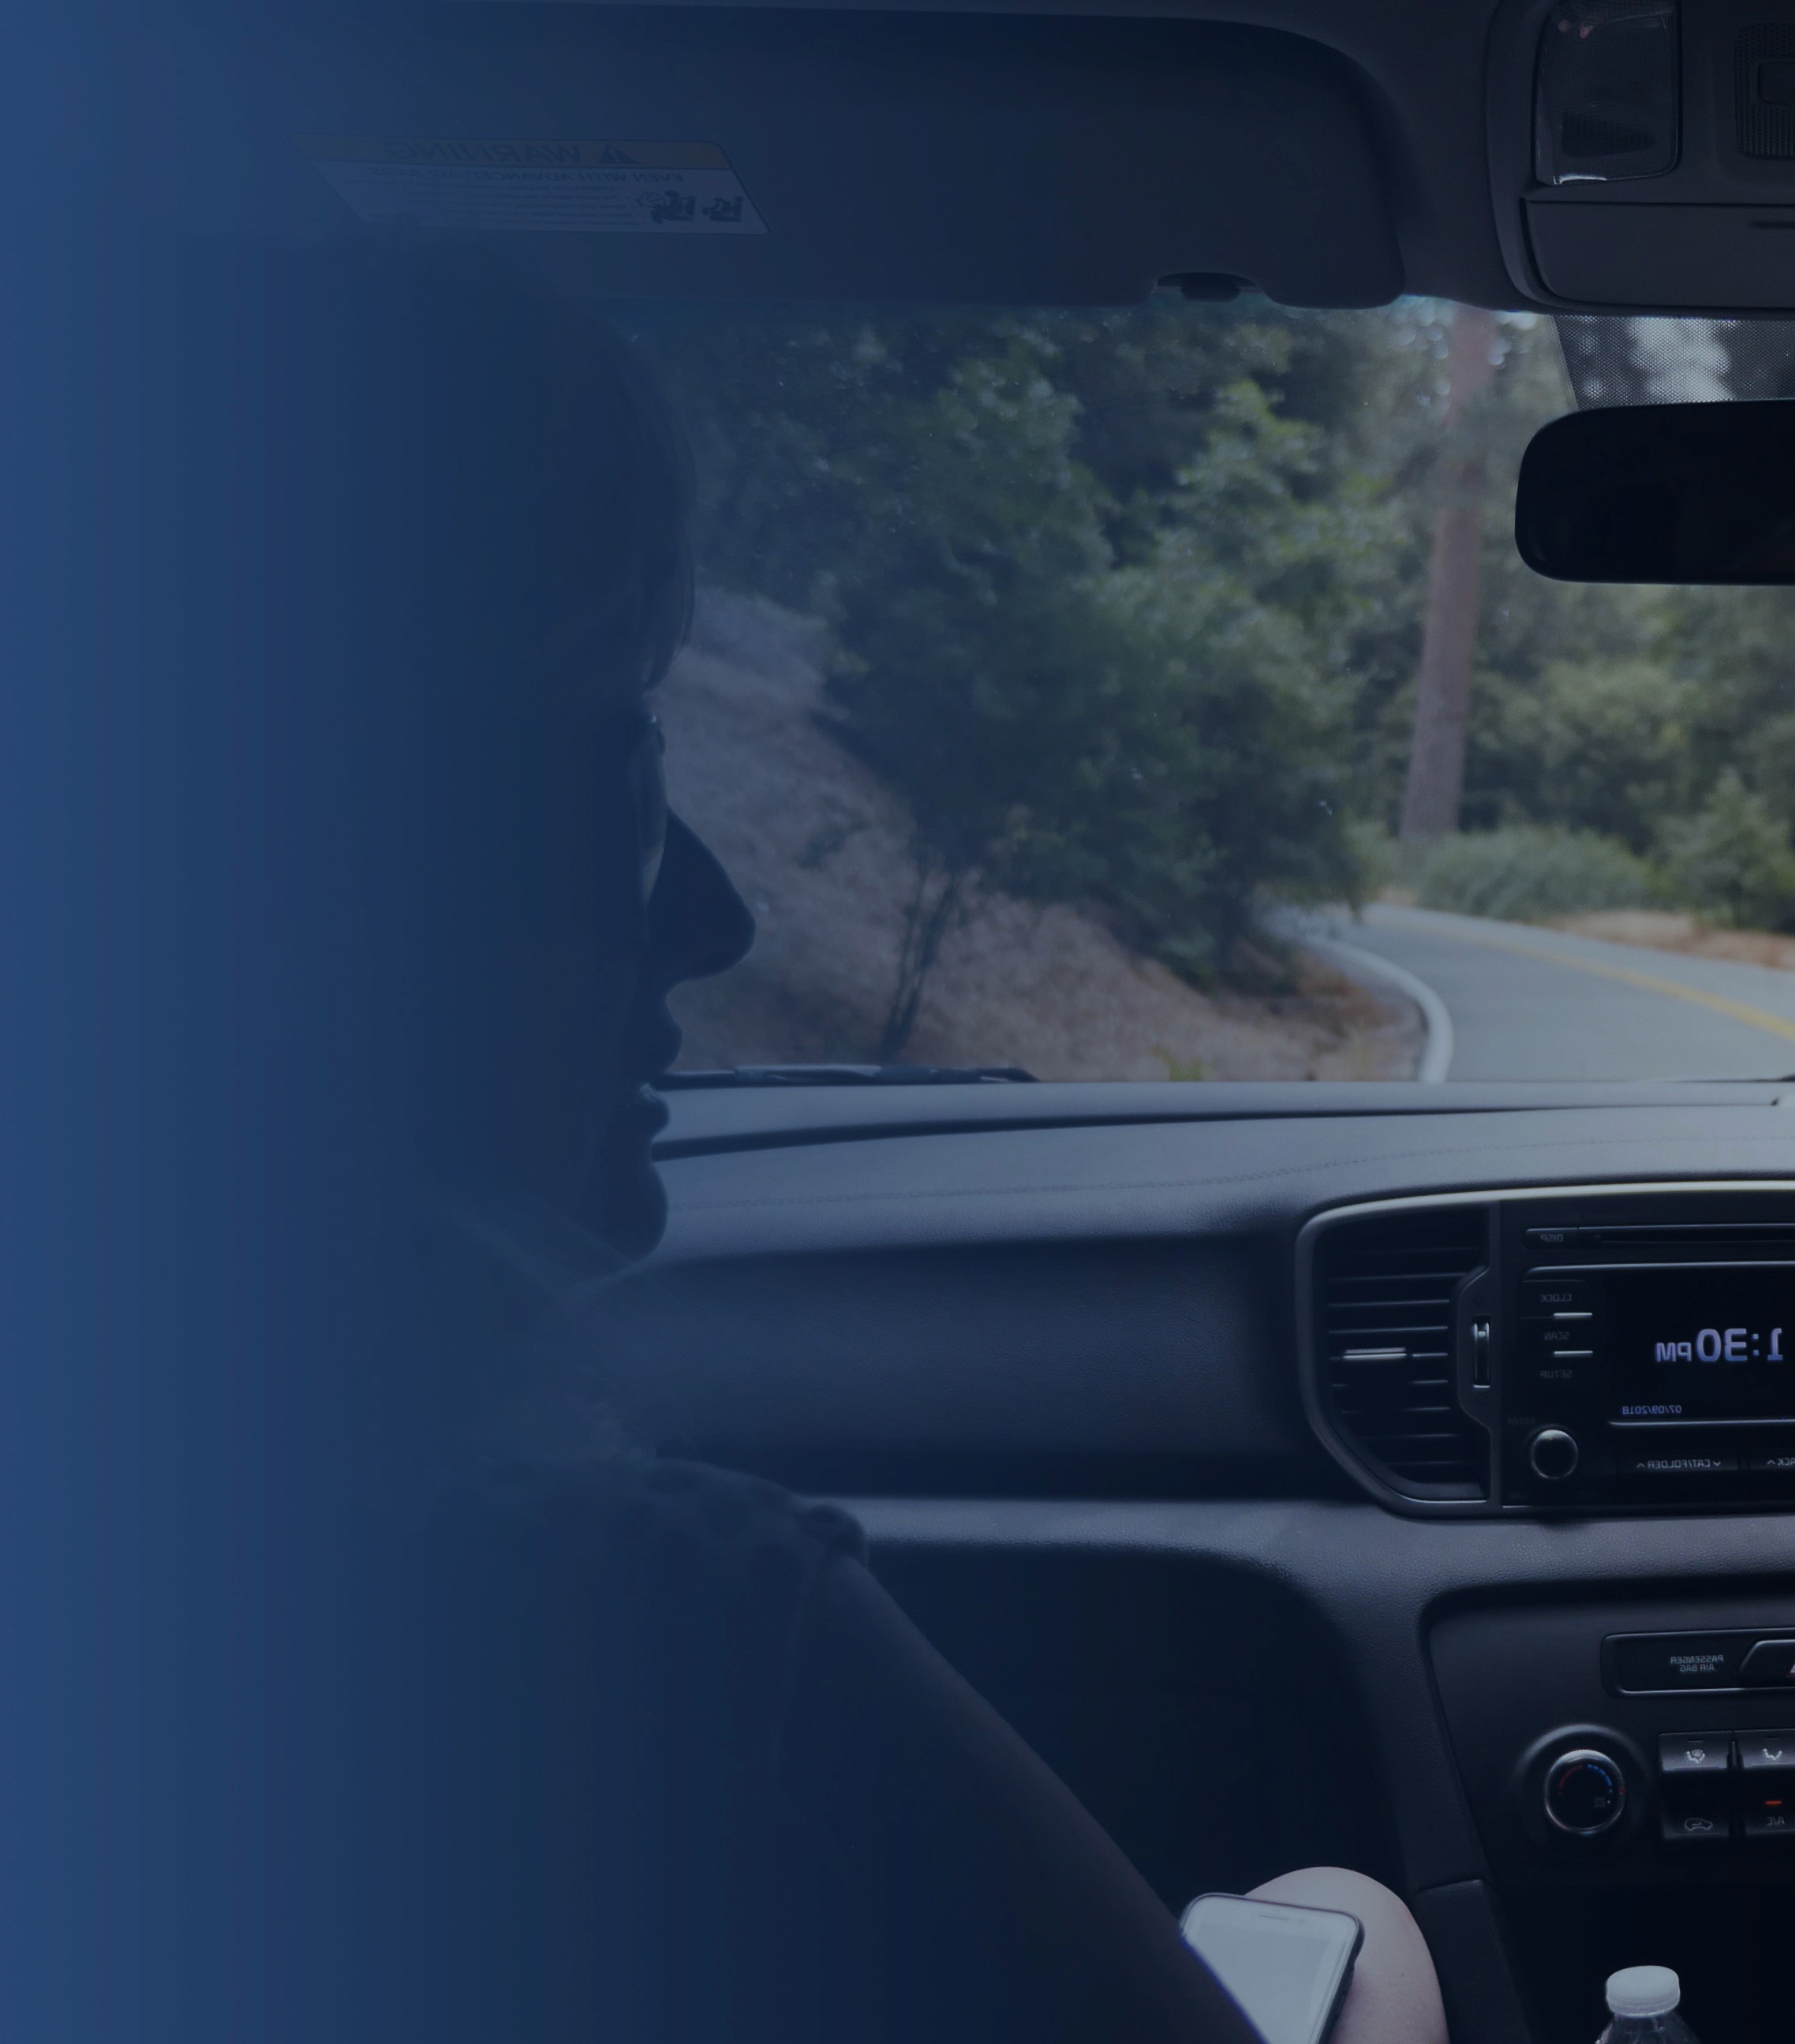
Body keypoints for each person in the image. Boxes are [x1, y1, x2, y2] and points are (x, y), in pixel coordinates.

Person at [232, 241, 1447, 2044]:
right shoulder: (659, 1615)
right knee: (1352, 1921)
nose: (706, 920)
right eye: (609, 785)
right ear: (351, 871)